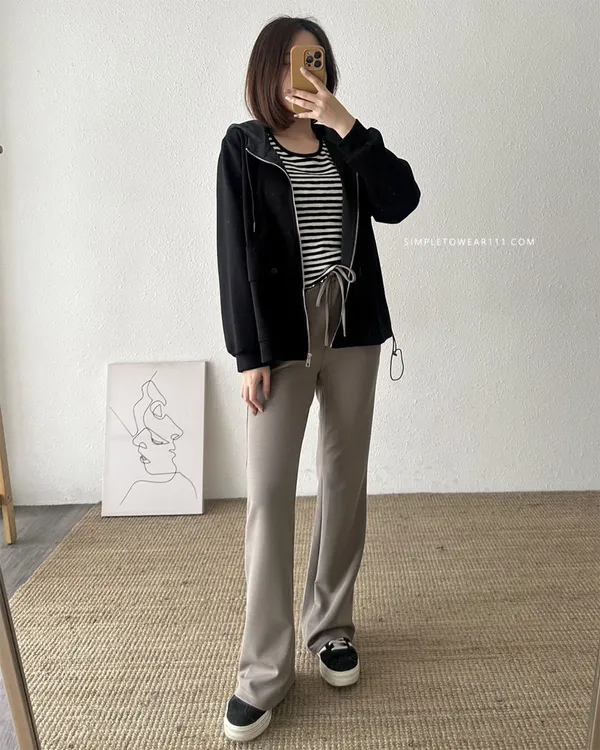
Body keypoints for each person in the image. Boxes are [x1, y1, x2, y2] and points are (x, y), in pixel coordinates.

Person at [216, 15, 421, 742]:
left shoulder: (344, 142)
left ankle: (330, 627)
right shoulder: (244, 146)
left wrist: (346, 122)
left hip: (352, 331)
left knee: (343, 480)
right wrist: (248, 354)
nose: (309, 73)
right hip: (281, 340)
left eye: (319, 61)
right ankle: (264, 670)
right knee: (269, 496)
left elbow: (402, 200)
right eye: (296, 61)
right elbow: (233, 252)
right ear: (268, 69)